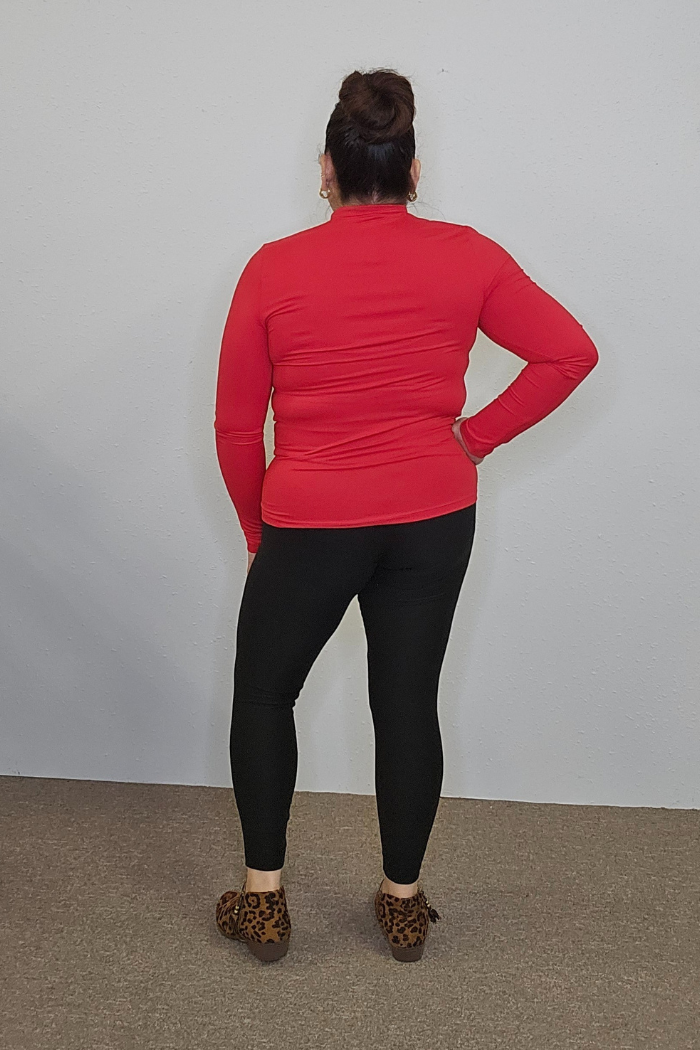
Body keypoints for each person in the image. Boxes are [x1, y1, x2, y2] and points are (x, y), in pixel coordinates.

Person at [212, 68, 599, 962]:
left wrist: (257, 530)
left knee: (265, 693)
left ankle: (263, 901)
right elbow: (569, 354)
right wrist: (473, 441)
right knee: (408, 701)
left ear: (327, 170)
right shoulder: (470, 255)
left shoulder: (274, 268)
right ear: (414, 171)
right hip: (431, 516)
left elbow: (235, 427)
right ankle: (403, 901)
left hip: (310, 520)